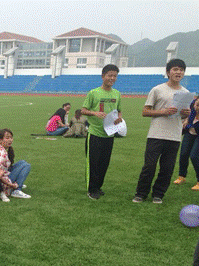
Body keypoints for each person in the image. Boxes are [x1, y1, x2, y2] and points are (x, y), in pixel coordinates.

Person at [132, 59, 192, 204]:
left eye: (181, 70)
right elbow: (145, 112)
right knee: (149, 166)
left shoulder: (186, 93)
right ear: (168, 72)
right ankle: (141, 194)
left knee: (167, 168)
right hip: (156, 134)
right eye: (175, 69)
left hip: (174, 136)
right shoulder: (157, 89)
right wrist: (163, 111)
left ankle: (158, 194)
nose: (178, 72)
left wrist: (186, 114)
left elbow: (183, 117)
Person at [82, 64, 123, 200]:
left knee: (104, 163)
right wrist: (95, 113)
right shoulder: (93, 93)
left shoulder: (117, 94)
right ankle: (91, 189)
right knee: (93, 163)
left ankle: (98, 187)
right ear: (103, 76)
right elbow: (83, 110)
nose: (112, 78)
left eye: (115, 76)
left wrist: (119, 118)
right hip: (95, 133)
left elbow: (119, 110)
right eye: (110, 75)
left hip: (109, 133)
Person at [0, 128, 32, 199]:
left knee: (22, 162)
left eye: (11, 137)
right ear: (0, 140)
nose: (10, 140)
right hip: (3, 181)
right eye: (7, 138)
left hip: (4, 175)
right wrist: (10, 184)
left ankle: (18, 182)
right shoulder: (2, 153)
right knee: (26, 166)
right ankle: (17, 190)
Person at [173, 97, 199, 190]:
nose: (197, 107)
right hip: (190, 132)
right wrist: (187, 119)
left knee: (194, 156)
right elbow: (186, 114)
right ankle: (181, 177)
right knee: (184, 153)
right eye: (196, 104)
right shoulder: (192, 105)